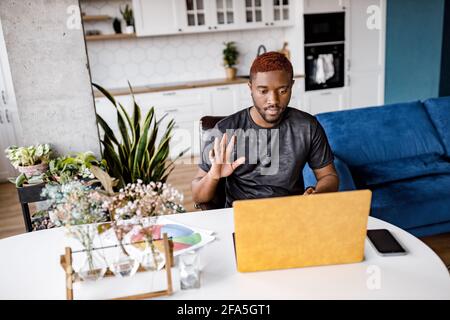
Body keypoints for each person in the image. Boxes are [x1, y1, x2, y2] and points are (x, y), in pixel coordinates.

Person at [192, 51, 339, 208]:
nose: (273, 101)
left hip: (292, 213)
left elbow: (329, 176)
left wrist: (318, 194)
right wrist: (213, 176)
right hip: (242, 216)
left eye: (282, 90)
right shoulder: (225, 129)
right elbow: (198, 196)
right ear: (251, 88)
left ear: (291, 86)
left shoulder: (308, 126)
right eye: (263, 91)